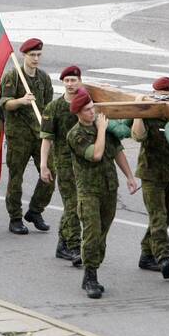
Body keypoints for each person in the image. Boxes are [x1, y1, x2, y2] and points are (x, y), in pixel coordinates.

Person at [66, 89, 139, 299]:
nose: (92, 112)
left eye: (93, 108)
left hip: (109, 188)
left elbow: (116, 151)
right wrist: (101, 130)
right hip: (88, 191)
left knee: (102, 233)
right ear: (79, 113)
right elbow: (96, 154)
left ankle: (92, 265)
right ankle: (90, 276)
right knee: (91, 233)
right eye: (88, 110)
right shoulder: (76, 134)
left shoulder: (103, 127)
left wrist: (129, 176)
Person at [0, 38, 54, 235]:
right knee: (16, 179)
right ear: (24, 55)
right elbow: (5, 103)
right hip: (19, 136)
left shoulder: (44, 78)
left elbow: (49, 107)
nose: (36, 59)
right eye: (32, 55)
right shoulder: (13, 76)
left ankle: (35, 210)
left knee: (49, 174)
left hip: (40, 135)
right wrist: (21, 101)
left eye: (39, 55)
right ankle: (15, 218)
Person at [131, 76, 169, 279]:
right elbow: (138, 136)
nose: (165, 99)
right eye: (161, 95)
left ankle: (146, 253)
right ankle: (163, 257)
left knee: (165, 216)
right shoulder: (148, 112)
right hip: (150, 172)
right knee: (158, 216)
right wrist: (139, 111)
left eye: (168, 95)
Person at [39, 65, 86, 265]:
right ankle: (73, 246)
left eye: (73, 80)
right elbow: (46, 139)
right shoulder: (54, 108)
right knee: (73, 204)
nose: (70, 84)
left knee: (76, 204)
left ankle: (62, 243)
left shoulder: (87, 104)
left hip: (84, 162)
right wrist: (43, 165)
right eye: (66, 81)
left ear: (80, 81)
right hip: (64, 163)